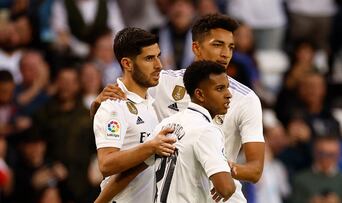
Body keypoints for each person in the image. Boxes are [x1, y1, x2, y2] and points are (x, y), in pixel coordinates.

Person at [93, 14, 265, 203]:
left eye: (231, 47)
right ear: (196, 48)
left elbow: (255, 170)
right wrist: (99, 103)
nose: (226, 54)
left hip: (220, 197)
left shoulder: (246, 99)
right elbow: (118, 113)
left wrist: (223, 167)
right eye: (217, 45)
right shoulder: (162, 83)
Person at [93, 27, 176, 203]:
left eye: (158, 56)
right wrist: (151, 147)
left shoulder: (150, 103)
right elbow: (106, 164)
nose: (158, 65)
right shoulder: (114, 105)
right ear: (127, 64)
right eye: (149, 58)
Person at [153, 60, 235, 202]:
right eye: (220, 88)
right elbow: (226, 188)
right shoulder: (207, 131)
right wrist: (226, 178)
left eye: (227, 87)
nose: (229, 94)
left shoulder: (164, 125)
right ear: (200, 94)